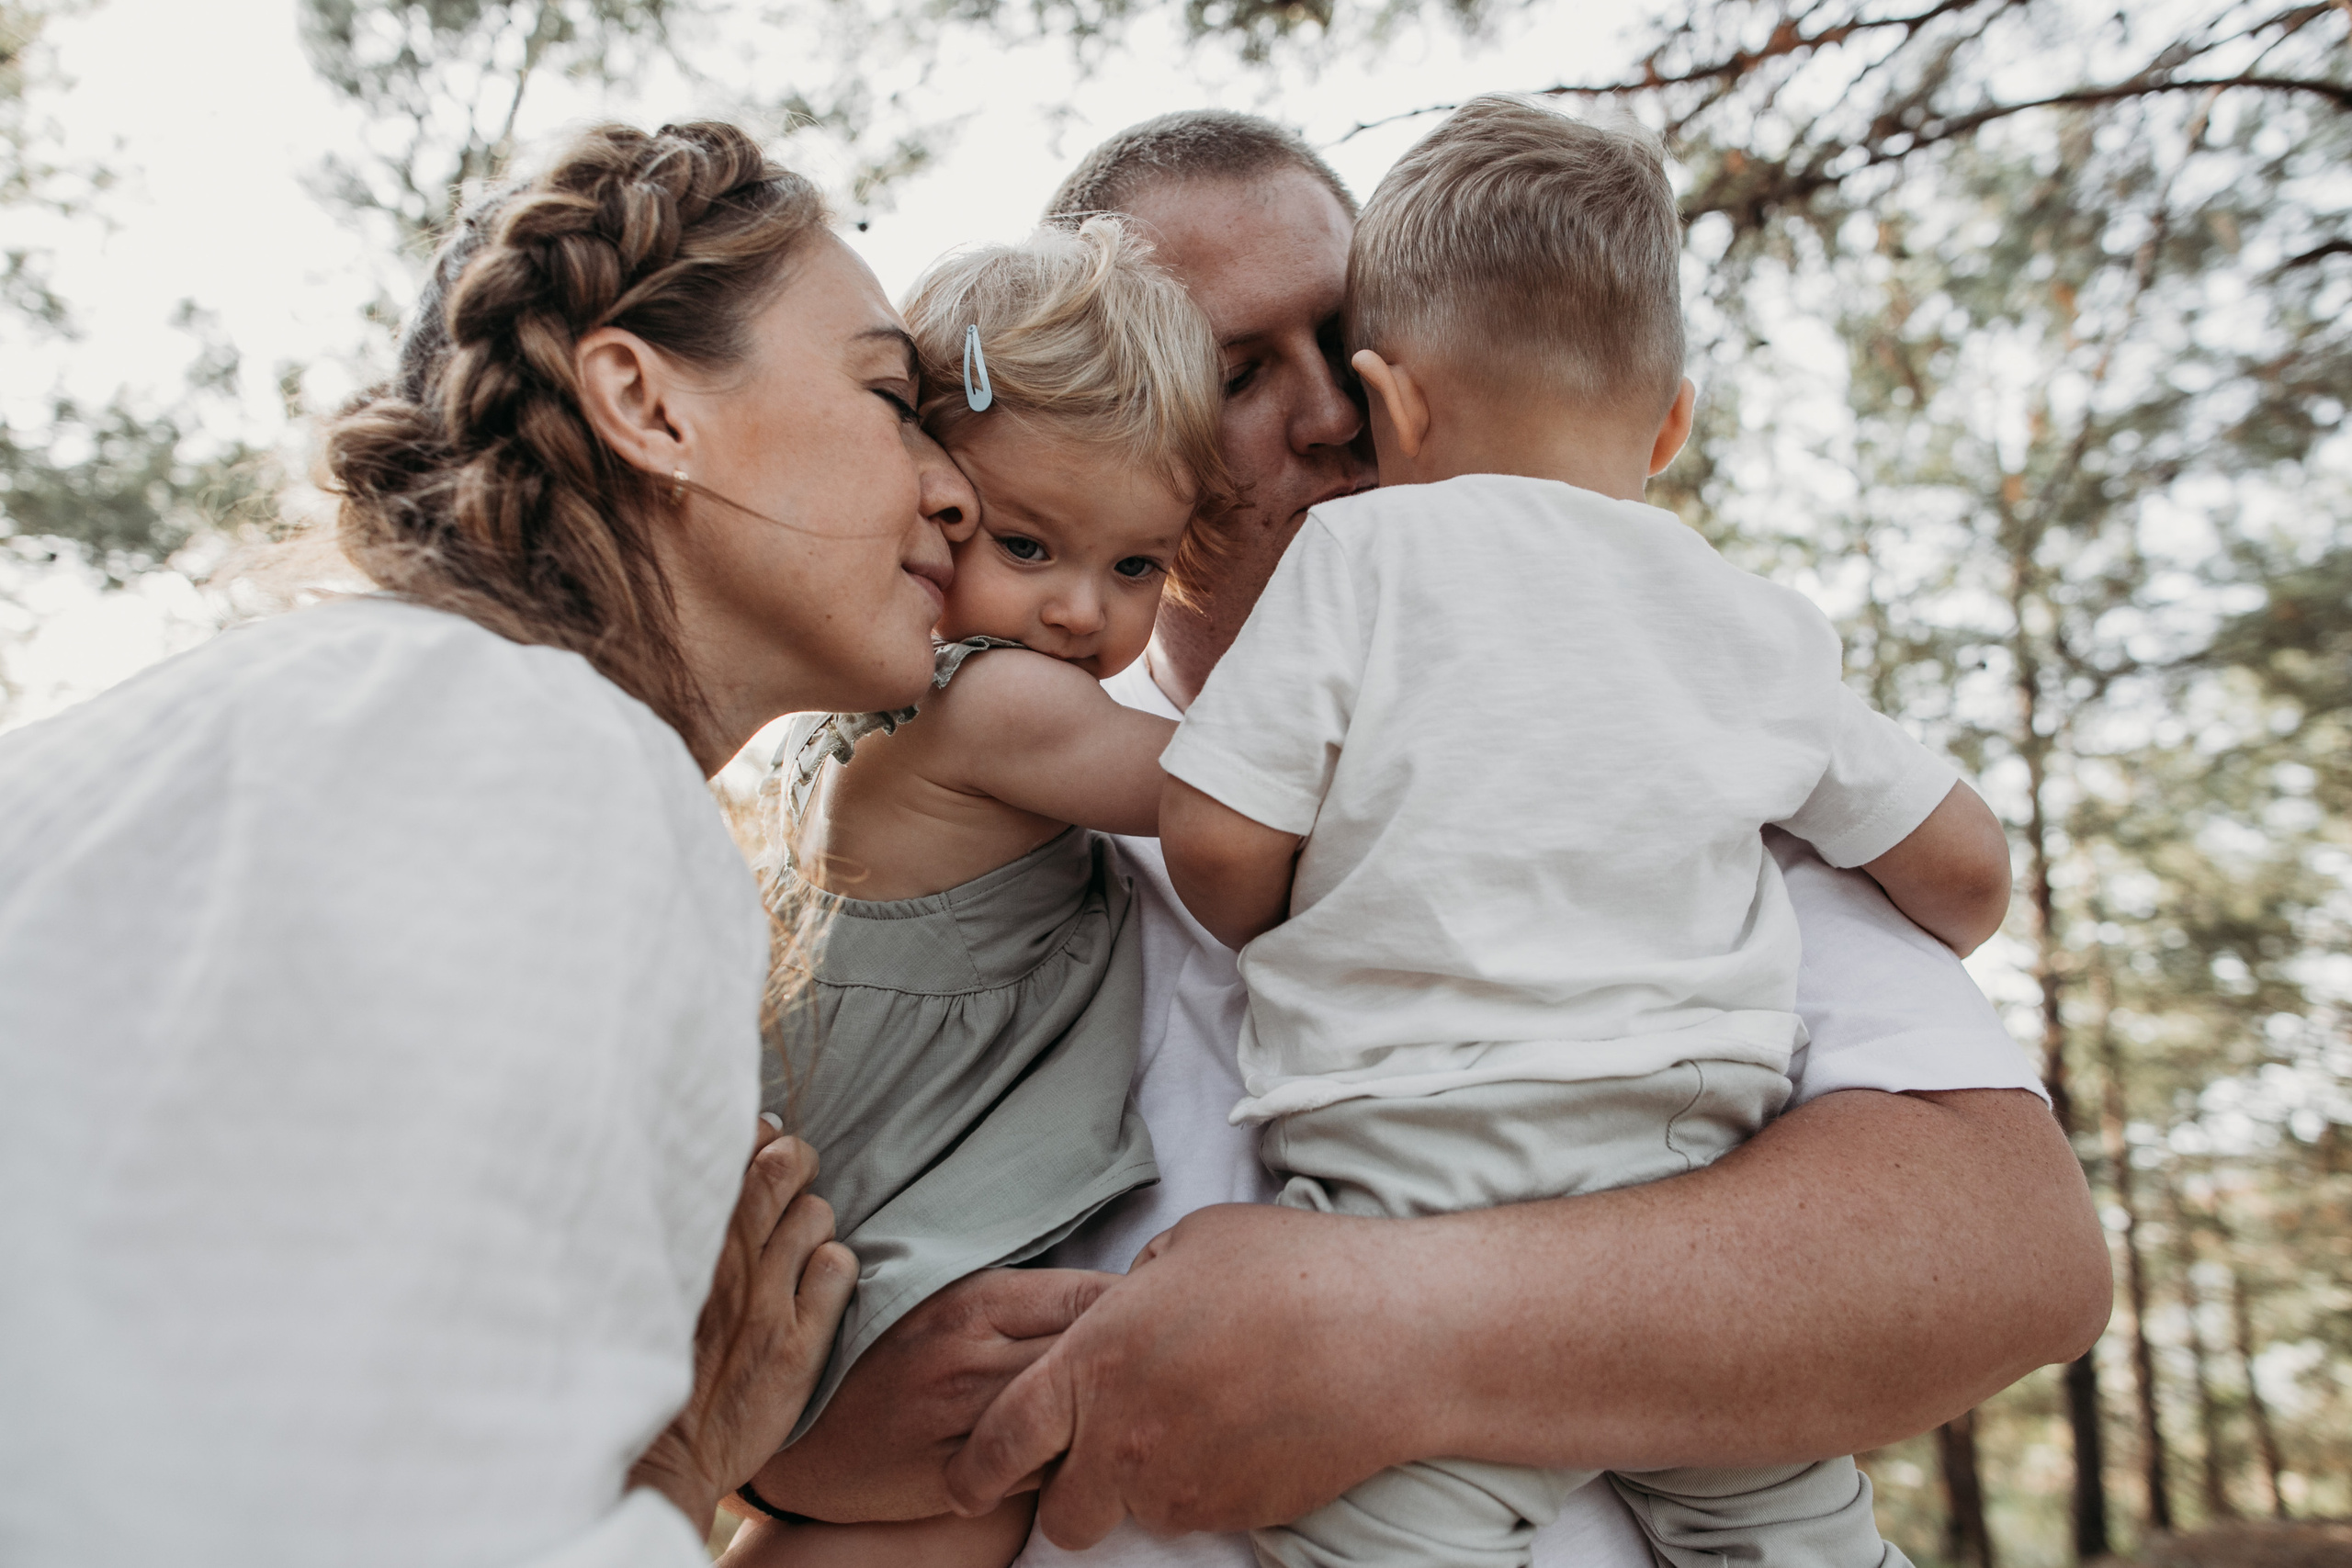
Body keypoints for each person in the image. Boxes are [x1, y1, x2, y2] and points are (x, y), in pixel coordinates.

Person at [729, 110, 2111, 1568]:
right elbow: (722, 1321)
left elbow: (2015, 1256)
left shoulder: (1650, 719)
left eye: (1348, 336)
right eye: (1238, 370)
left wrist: (1387, 1321)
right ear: (1118, 412)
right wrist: (808, 1456)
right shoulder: (975, 819)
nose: (1332, 411)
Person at [0, 120, 980, 1568]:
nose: (951, 489)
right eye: (892, 397)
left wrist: (677, 1461)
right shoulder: (532, 761)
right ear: (647, 404)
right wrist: (672, 1476)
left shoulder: (341, 731)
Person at [1157, 96, 2014, 1568]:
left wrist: (1300, 897)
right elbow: (1970, 874)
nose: (1329, 420)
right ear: (1672, 419)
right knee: (1793, 1516)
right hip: (1696, 1139)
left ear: (1396, 400)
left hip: (1415, 1159)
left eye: (1343, 369)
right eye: (1239, 373)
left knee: (1389, 1532)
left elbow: (1223, 851)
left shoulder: (1360, 558)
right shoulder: (1748, 628)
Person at [725, 217, 1230, 1568]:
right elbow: (1240, 798)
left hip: (851, 1227)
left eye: (1135, 566)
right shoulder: (998, 705)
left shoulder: (845, 720)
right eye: (1029, 545)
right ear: (932, 489)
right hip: (898, 1249)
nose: (1080, 611)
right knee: (989, 1477)